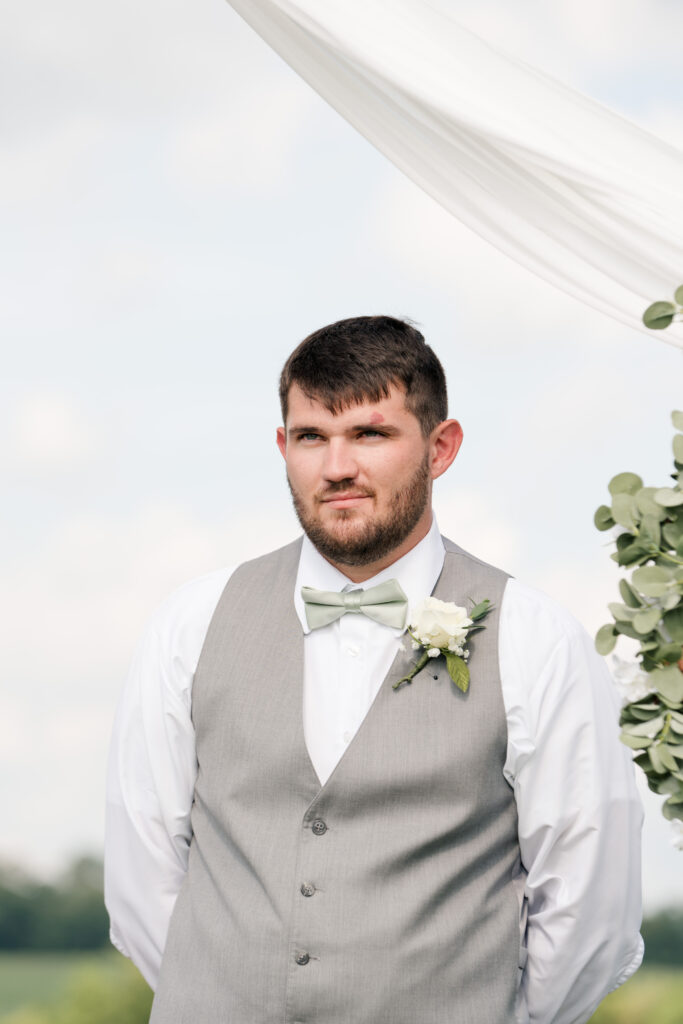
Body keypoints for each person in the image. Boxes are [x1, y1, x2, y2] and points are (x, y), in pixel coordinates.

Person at [105, 315, 643, 1024]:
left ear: (439, 446)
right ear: (282, 446)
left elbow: (588, 907)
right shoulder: (191, 622)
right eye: (310, 437)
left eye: (370, 434)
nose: (336, 468)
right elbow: (142, 872)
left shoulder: (535, 638)